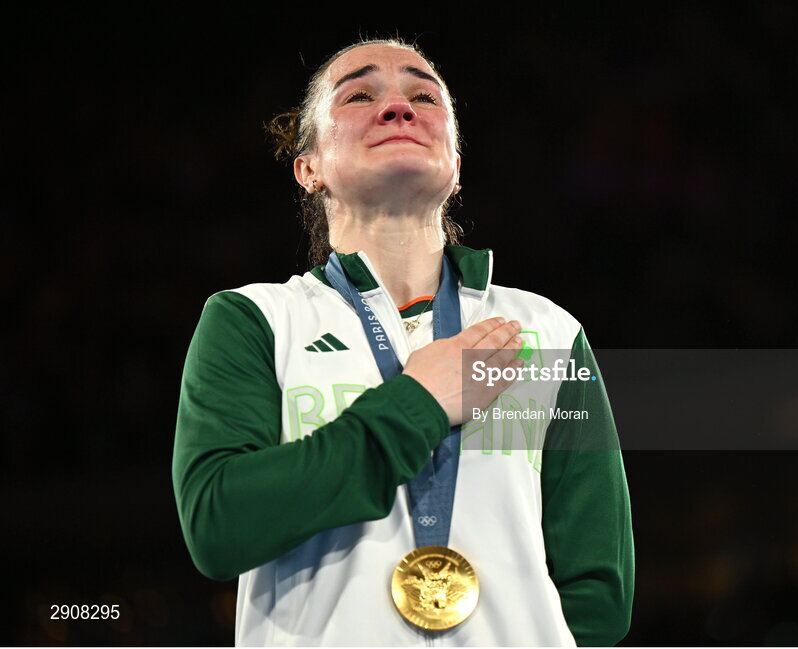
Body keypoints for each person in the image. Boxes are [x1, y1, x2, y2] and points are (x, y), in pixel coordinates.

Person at [172, 38, 634, 647]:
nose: (398, 108)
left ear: (457, 163)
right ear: (308, 167)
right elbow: (218, 524)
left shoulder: (547, 332)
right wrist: (417, 401)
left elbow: (599, 591)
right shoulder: (254, 320)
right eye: (361, 95)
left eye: (423, 95)